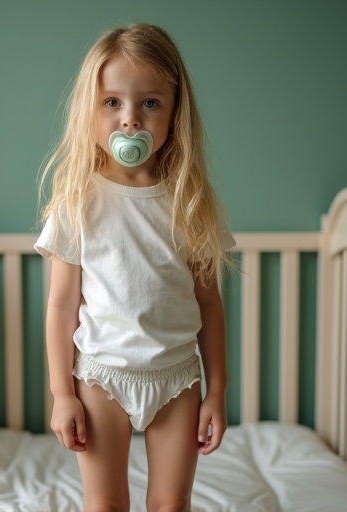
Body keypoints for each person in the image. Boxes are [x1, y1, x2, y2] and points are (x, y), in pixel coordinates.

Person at [35, 23, 234, 512]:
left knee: (171, 503)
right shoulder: (78, 201)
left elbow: (209, 302)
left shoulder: (190, 202)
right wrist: (63, 394)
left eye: (149, 103)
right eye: (112, 103)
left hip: (176, 377)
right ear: (91, 110)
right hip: (102, 375)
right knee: (105, 503)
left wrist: (218, 391)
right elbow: (62, 306)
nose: (130, 120)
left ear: (174, 111)